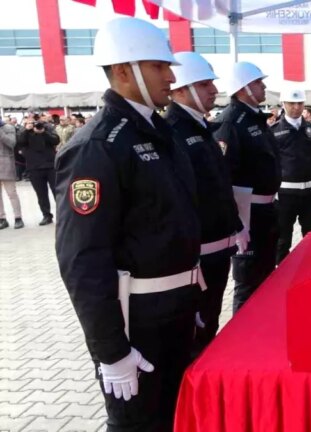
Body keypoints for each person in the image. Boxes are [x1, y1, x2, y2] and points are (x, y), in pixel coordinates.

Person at [55, 17, 202, 431]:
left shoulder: (161, 131)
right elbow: (83, 259)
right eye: (159, 66)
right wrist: (111, 350)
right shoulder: (97, 146)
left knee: (174, 418)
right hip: (136, 322)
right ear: (123, 71)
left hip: (174, 311)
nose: (171, 77)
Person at [166, 52, 245, 354]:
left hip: (217, 247)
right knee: (196, 333)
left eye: (211, 83)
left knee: (208, 323)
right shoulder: (174, 131)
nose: (213, 90)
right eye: (203, 84)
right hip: (197, 257)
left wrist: (236, 225)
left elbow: (218, 184)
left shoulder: (201, 126)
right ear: (180, 90)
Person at [214, 61, 281, 313]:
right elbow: (223, 178)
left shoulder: (254, 119)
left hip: (265, 213)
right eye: (257, 82)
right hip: (247, 215)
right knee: (247, 283)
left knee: (264, 277)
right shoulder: (231, 122)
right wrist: (237, 224)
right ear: (243, 88)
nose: (263, 86)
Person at [272, 88, 311, 263]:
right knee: (282, 240)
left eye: (300, 103)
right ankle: (280, 279)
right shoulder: (274, 131)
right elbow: (270, 165)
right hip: (285, 195)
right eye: (292, 103)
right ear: (284, 104)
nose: (296, 107)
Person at [17, 119, 59, 225]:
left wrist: (43, 132)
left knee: (57, 191)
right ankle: (46, 215)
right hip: (34, 168)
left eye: (34, 123)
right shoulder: (24, 133)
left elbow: (56, 140)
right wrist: (27, 130)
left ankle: (62, 214)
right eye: (29, 123)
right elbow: (20, 142)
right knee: (41, 194)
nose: (34, 125)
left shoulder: (47, 129)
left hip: (50, 166)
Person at [0, 118, 23, 229]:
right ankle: (2, 219)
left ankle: (18, 218)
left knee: (12, 193)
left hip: (5, 164)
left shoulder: (8, 127)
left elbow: (11, 143)